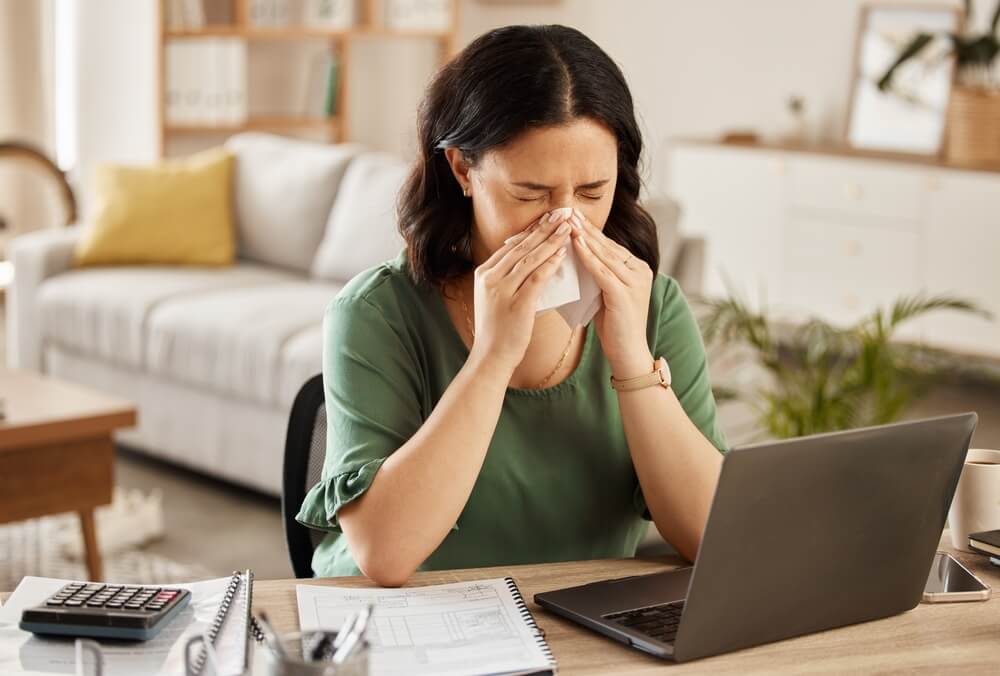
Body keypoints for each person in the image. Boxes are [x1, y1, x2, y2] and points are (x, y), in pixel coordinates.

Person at [296, 24, 727, 586]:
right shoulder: (377, 313)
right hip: (399, 629)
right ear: (461, 169)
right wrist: (492, 357)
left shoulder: (654, 308)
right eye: (531, 194)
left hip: (579, 631)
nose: (565, 220)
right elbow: (384, 555)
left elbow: (710, 536)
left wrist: (631, 360)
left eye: (593, 192)